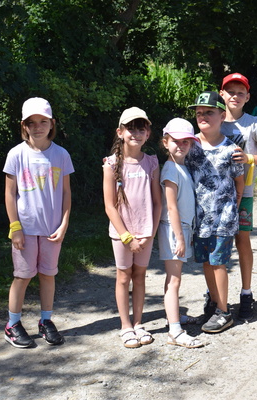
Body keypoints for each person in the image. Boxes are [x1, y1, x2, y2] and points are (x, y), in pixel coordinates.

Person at [3, 97, 74, 348]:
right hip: (25, 230)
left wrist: (64, 224)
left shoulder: (61, 155)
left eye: (43, 121)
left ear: (52, 123)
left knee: (48, 275)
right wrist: (15, 228)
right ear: (24, 125)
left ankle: (46, 321)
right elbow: (9, 193)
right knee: (22, 276)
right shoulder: (16, 154)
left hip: (52, 230)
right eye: (31, 122)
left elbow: (66, 193)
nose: (37, 127)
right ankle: (12, 324)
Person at [186, 91, 245, 333]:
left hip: (223, 219)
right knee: (206, 263)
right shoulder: (190, 146)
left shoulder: (231, 149)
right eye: (199, 113)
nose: (203, 116)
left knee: (219, 263)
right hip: (199, 219)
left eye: (209, 112)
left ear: (222, 116)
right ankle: (213, 304)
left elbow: (239, 182)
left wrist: (232, 209)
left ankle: (224, 311)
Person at [219, 73, 257, 321]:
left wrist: (249, 158)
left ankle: (246, 293)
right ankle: (214, 295)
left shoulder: (254, 123)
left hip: (245, 193)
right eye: (230, 91)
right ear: (221, 94)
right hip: (217, 195)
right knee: (218, 243)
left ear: (248, 97)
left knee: (242, 241)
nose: (235, 96)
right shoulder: (214, 119)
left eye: (240, 93)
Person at [103, 107, 162, 348]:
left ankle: (138, 323)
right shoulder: (111, 164)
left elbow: (157, 203)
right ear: (120, 132)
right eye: (131, 128)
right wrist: (127, 237)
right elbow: (109, 206)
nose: (136, 133)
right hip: (122, 235)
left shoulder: (152, 163)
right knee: (123, 277)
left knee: (139, 276)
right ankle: (125, 326)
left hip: (146, 233)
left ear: (148, 133)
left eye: (141, 129)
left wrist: (150, 233)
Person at [158, 118, 205, 348]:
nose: (181, 145)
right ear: (165, 142)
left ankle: (173, 316)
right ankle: (175, 331)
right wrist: (179, 237)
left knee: (175, 278)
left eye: (186, 141)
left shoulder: (181, 166)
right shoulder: (170, 169)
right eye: (176, 141)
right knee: (174, 279)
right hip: (173, 229)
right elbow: (171, 207)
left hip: (183, 228)